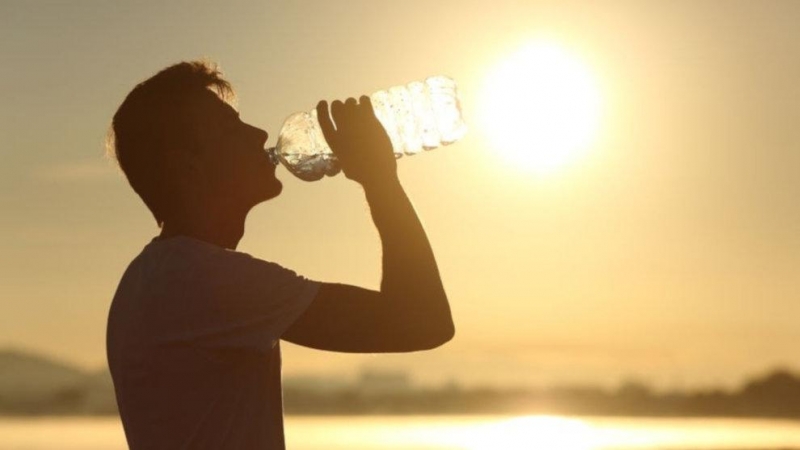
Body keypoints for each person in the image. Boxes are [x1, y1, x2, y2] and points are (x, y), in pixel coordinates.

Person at [105, 60, 455, 449]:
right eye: (232, 128)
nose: (258, 134)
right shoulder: (199, 279)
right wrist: (379, 178)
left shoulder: (152, 278)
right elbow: (423, 322)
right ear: (189, 167)